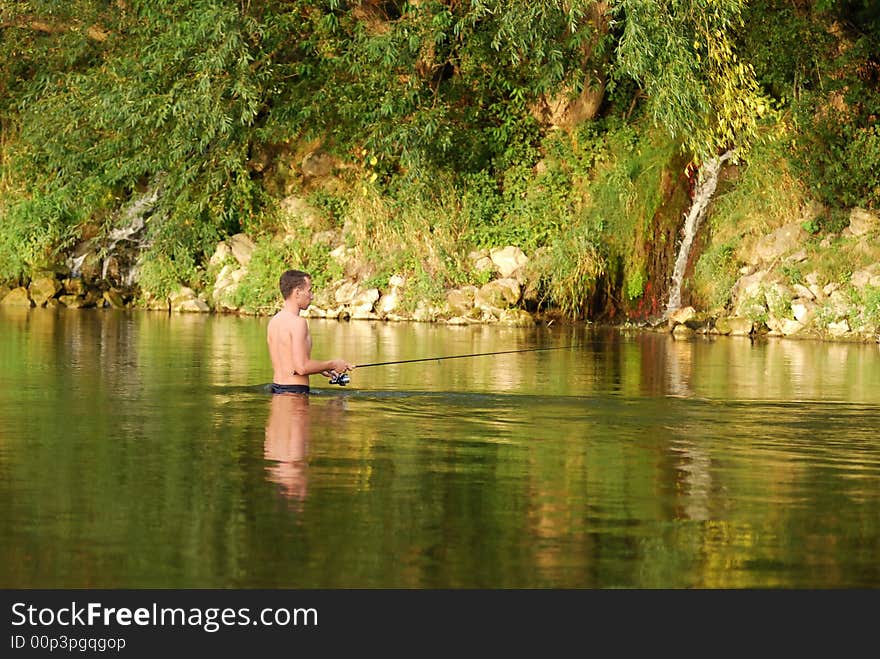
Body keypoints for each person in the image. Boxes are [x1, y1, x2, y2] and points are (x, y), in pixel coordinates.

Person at [267, 269, 354, 394]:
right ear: (297, 292)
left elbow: (291, 364)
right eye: (309, 290)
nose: (312, 296)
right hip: (296, 393)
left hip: (276, 389)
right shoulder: (298, 322)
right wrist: (333, 364)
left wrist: (320, 369)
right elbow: (301, 368)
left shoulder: (274, 321)